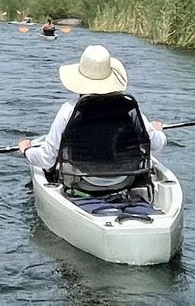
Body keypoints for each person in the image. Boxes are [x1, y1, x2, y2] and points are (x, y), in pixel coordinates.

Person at [18, 44, 165, 194]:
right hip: (126, 180)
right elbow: (157, 144)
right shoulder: (129, 109)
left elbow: (46, 159)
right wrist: (157, 131)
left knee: (53, 164)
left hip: (82, 181)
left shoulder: (68, 110)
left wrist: (27, 151)